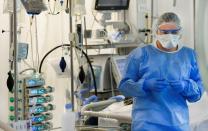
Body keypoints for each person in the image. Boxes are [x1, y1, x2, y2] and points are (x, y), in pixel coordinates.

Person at [118, 12, 204, 131]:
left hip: (178, 124)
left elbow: (198, 93)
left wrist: (186, 86)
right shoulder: (140, 55)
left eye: (174, 32)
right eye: (164, 32)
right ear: (156, 32)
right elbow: (124, 87)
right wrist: (145, 85)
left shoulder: (189, 56)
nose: (169, 35)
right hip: (146, 124)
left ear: (180, 33)